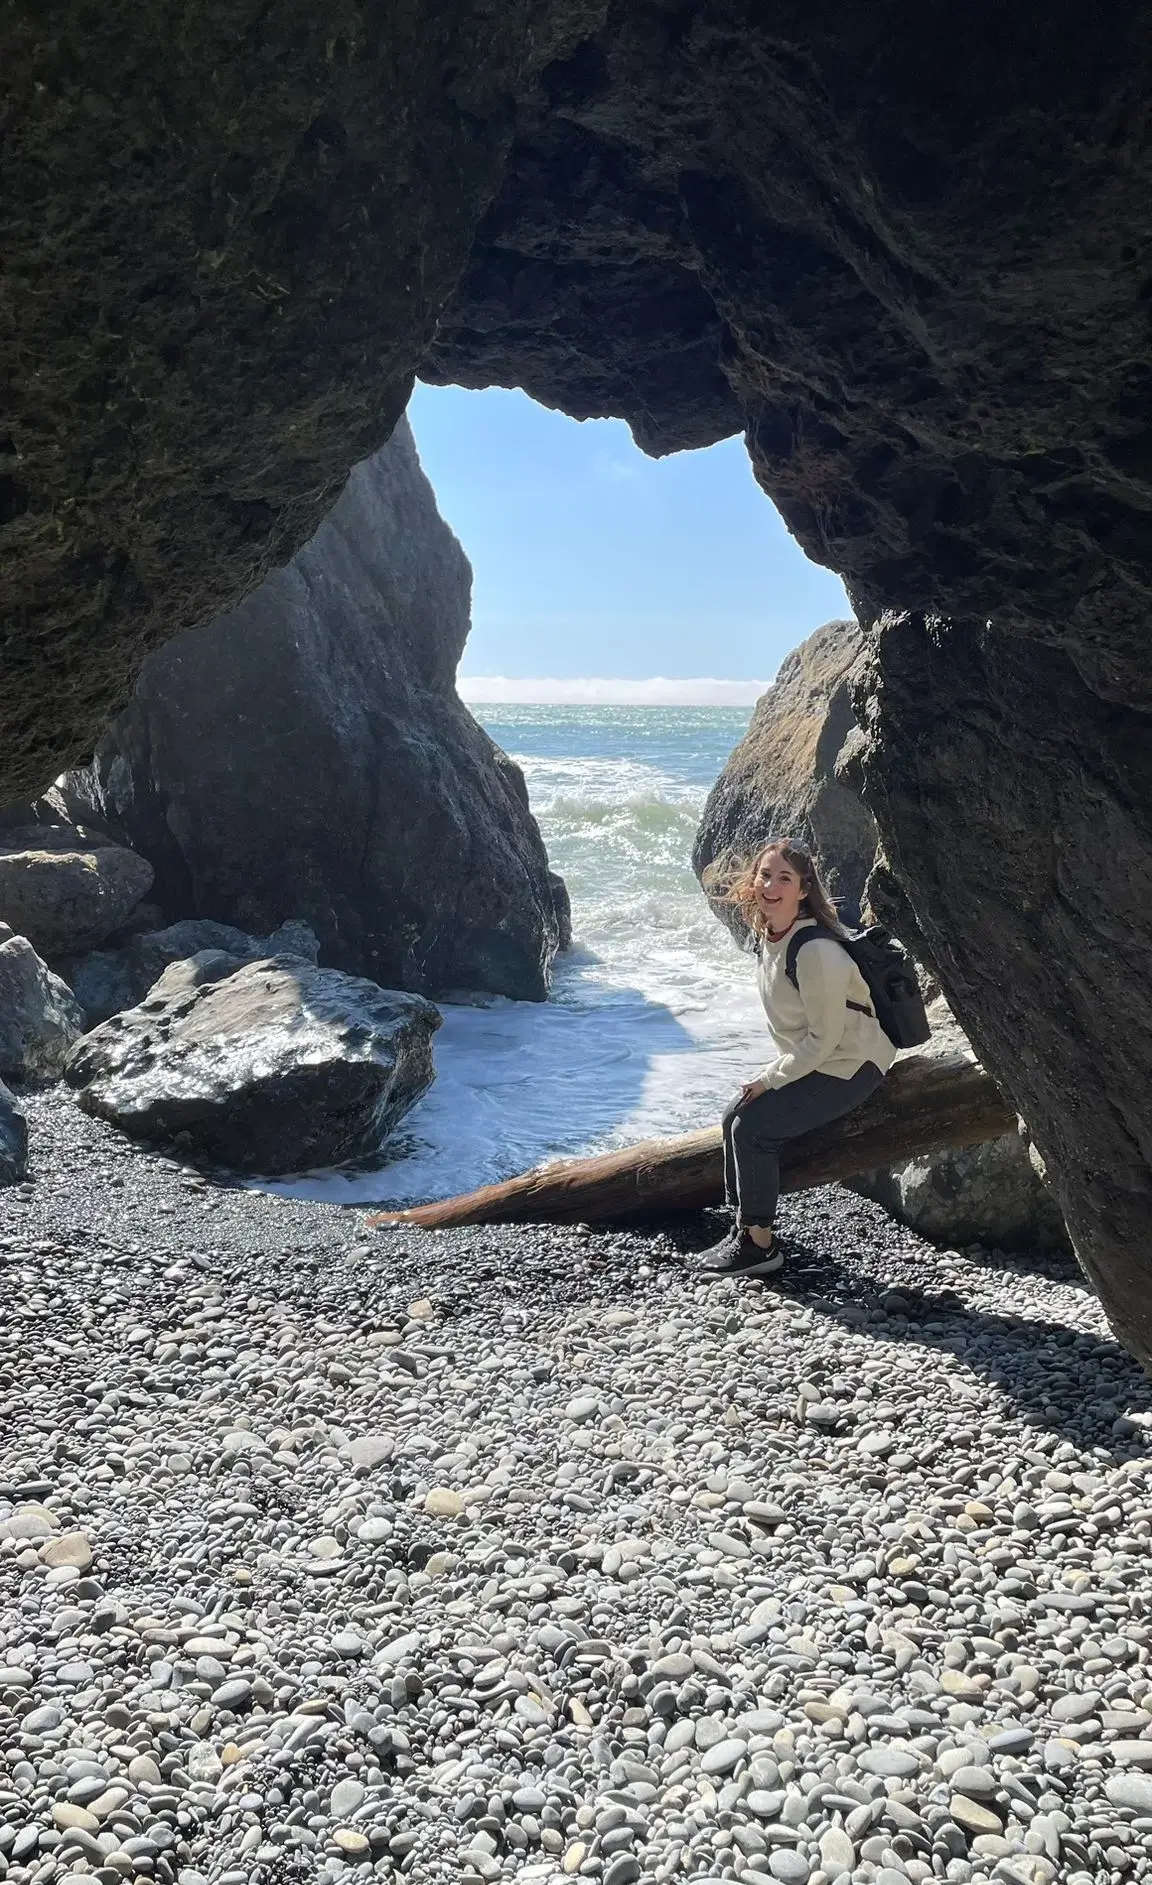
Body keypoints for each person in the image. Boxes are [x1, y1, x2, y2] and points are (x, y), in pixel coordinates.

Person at [699, 837, 896, 1279]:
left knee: (753, 1127)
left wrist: (770, 1080)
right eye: (765, 875)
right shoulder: (770, 934)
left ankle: (760, 1246)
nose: (770, 885)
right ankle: (744, 1227)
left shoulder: (815, 952)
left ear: (804, 889)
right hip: (824, 1055)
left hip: (853, 1062)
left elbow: (824, 1040)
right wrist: (772, 1080)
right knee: (735, 1113)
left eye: (784, 878)